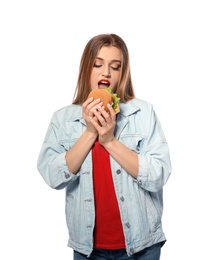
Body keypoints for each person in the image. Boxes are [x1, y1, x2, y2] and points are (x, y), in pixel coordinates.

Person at [37, 33, 172, 260]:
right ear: (86, 69)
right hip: (88, 250)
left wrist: (109, 140)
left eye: (115, 66)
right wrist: (90, 132)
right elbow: (52, 176)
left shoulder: (143, 112)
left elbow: (159, 174)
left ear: (123, 73)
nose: (106, 72)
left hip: (142, 247)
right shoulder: (62, 119)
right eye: (98, 64)